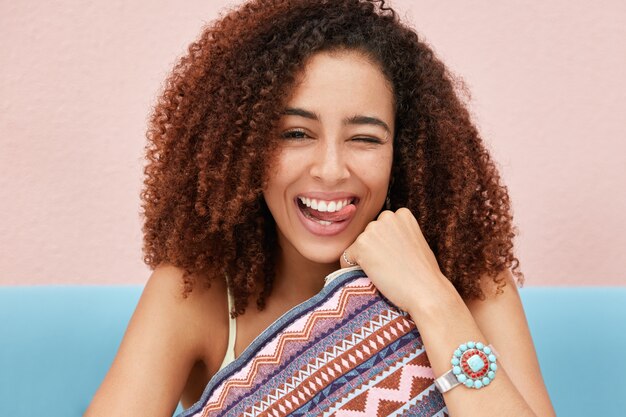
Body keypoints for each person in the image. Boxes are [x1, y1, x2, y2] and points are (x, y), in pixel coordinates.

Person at [85, 0, 556, 416]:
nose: (330, 170)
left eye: (365, 138)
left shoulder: (473, 284)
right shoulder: (194, 293)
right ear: (243, 147)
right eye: (295, 134)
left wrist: (431, 297)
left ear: (407, 152)